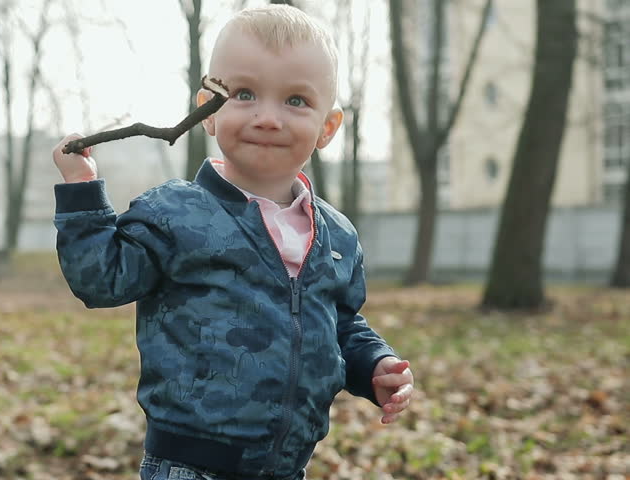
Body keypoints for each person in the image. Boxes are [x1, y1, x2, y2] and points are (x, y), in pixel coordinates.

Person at [52, 5, 414, 480]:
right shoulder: (176, 212)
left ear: (328, 127)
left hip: (287, 467)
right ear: (207, 110)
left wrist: (374, 365)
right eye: (244, 94)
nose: (267, 117)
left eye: (296, 101)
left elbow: (339, 322)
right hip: (189, 464)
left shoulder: (337, 235)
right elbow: (101, 279)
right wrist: (82, 192)